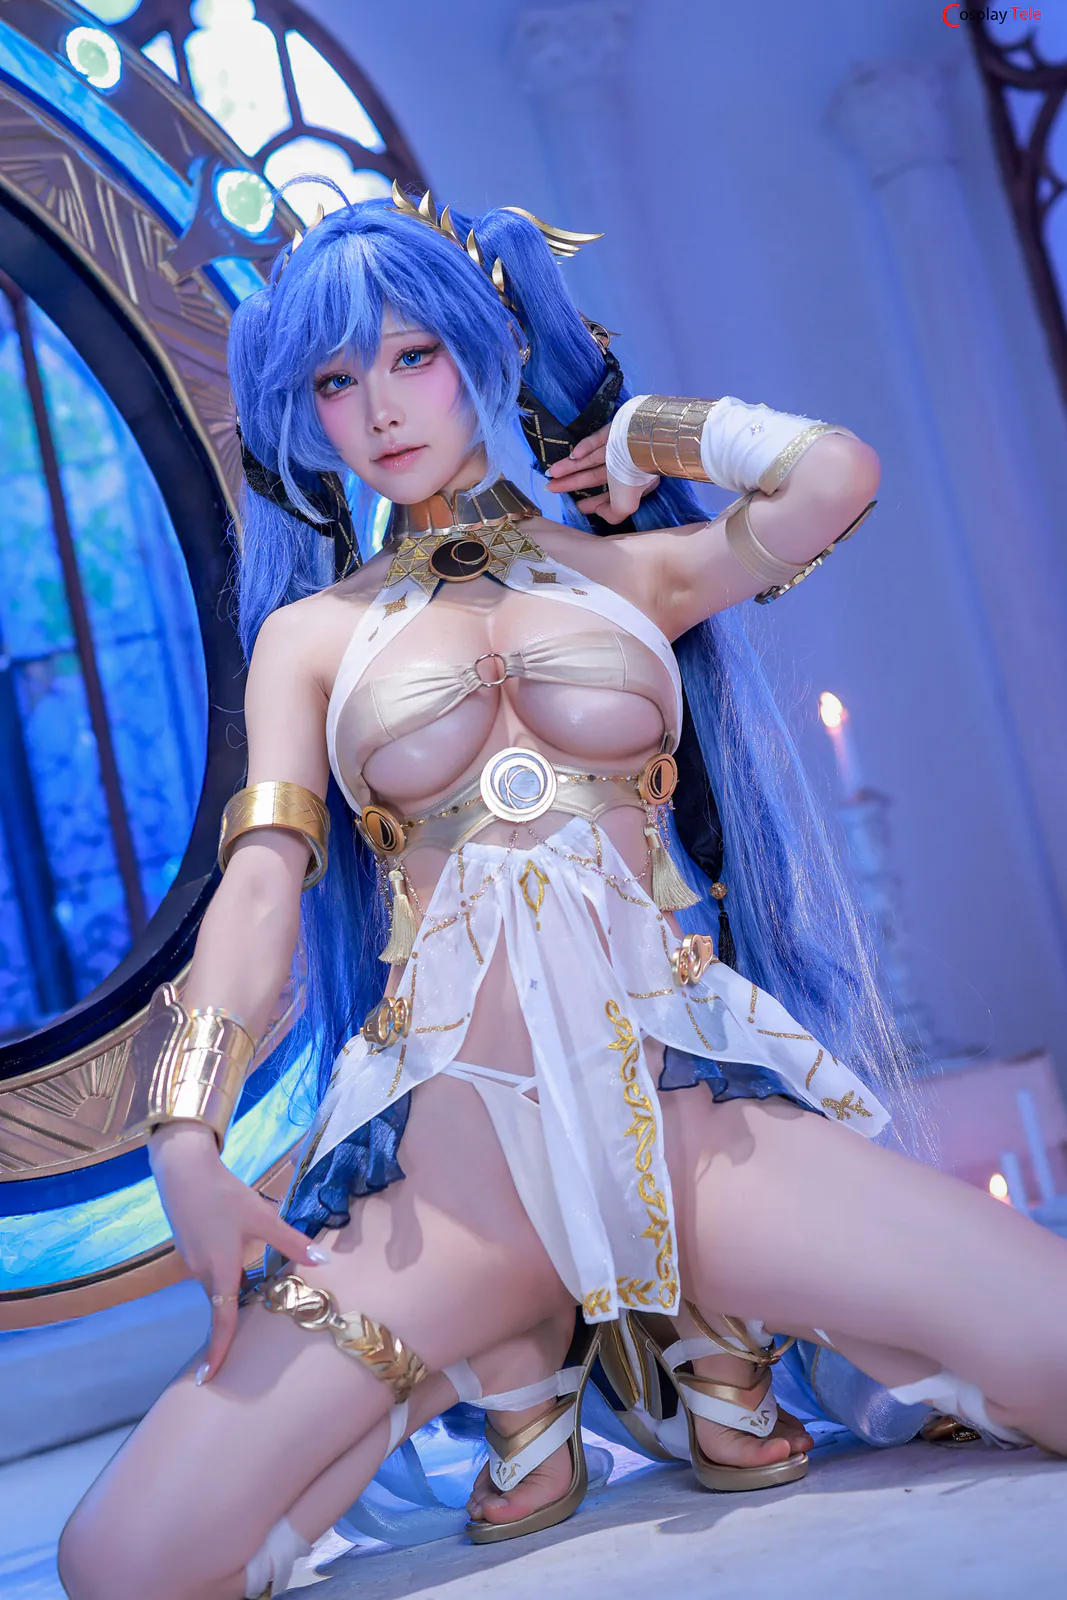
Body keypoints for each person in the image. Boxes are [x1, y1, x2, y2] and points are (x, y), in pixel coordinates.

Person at [58, 190, 1067, 1600]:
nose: (379, 408)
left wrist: (640, 433)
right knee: (125, 1561)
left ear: (484, 351)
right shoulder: (310, 637)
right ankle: (495, 1361)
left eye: (413, 356)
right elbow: (263, 883)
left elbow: (834, 473)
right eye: (335, 382)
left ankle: (698, 1342)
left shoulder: (634, 573)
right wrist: (184, 1132)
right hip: (457, 1205)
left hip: (701, 1157)